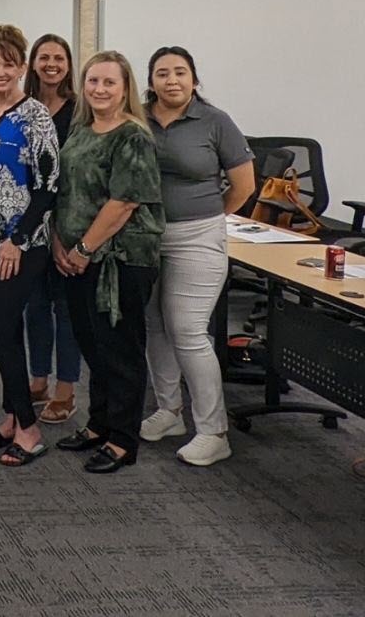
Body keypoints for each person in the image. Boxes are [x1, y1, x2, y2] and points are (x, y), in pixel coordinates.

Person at [141, 45, 255, 468]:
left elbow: (244, 186)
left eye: (180, 72)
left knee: (188, 330)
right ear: (150, 80)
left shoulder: (215, 121)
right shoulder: (138, 117)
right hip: (146, 236)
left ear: (193, 78)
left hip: (197, 237)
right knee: (155, 325)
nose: (171, 80)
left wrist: (208, 217)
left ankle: (213, 431)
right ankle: (169, 411)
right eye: (162, 73)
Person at [54, 50, 165, 474]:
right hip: (77, 257)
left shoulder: (132, 136)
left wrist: (83, 249)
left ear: (125, 89)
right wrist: (61, 243)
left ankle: (122, 439)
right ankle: (99, 423)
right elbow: (67, 192)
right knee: (93, 345)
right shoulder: (81, 130)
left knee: (120, 350)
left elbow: (124, 202)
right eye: (93, 81)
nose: (99, 89)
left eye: (109, 82)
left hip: (120, 260)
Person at [0, 25, 61, 468]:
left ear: (22, 67)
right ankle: (10, 417)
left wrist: (17, 240)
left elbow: (47, 187)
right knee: (8, 332)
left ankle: (28, 427)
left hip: (22, 244)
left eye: (8, 64)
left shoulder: (35, 116)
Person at [23, 33, 80, 425]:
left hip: (67, 220)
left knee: (66, 309)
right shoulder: (25, 107)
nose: (51, 65)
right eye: (44, 57)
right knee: (35, 305)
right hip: (30, 221)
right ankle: (38, 380)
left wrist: (60, 231)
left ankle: (66, 390)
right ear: (33, 63)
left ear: (68, 64)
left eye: (59, 58)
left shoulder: (79, 111)